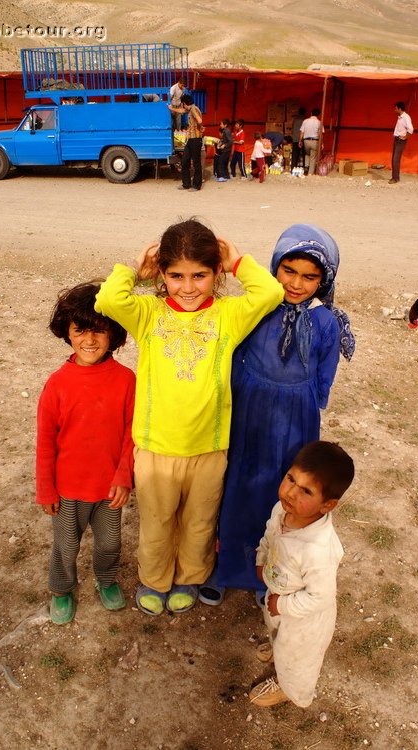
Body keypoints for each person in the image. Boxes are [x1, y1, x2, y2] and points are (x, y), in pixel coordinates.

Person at [94, 219, 283, 617]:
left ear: (216, 275)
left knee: (199, 523)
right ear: (161, 274)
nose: (188, 286)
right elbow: (109, 300)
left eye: (200, 275)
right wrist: (134, 268)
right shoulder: (148, 313)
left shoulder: (228, 316)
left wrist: (237, 261)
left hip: (209, 448)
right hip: (155, 447)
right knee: (157, 522)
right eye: (176, 275)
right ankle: (154, 580)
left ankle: (188, 578)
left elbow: (269, 291)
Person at [199, 224, 355, 607]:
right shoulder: (260, 305)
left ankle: (264, 575)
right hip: (249, 409)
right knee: (237, 485)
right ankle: (226, 567)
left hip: (295, 419)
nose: (297, 283)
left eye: (310, 276)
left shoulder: (325, 322)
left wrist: (305, 413)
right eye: (289, 271)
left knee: (279, 492)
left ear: (325, 279)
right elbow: (236, 354)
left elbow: (323, 377)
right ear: (274, 267)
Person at [36, 282, 135, 625]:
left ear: (114, 335)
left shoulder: (126, 380)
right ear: (67, 332)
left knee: (109, 544)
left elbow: (131, 434)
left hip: (109, 489)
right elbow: (46, 441)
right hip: (67, 491)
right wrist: (46, 488)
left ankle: (106, 579)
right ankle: (62, 589)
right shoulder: (57, 384)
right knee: (66, 546)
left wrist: (124, 476)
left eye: (99, 331)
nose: (89, 340)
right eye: (80, 330)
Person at [249, 440, 355, 707]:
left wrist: (281, 604)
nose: (291, 493)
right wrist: (262, 559)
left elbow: (320, 597)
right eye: (290, 479)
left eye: (306, 491)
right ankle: (277, 650)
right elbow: (269, 535)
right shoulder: (282, 510)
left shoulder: (318, 549)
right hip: (279, 597)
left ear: (327, 505)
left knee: (298, 659)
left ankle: (292, 689)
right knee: (277, 632)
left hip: (305, 620)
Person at [168, 94, 204, 192]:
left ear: (184, 103)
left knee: (196, 163)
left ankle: (197, 185)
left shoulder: (193, 109)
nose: (182, 106)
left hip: (196, 139)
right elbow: (182, 111)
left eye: (182, 104)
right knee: (184, 161)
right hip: (191, 140)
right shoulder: (190, 108)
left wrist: (200, 125)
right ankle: (186, 184)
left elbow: (199, 120)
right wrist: (171, 108)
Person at [389, 101, 414, 184]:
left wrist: (405, 137)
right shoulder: (400, 117)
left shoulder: (406, 117)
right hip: (397, 139)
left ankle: (395, 178)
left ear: (400, 109)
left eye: (396, 108)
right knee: (394, 159)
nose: (395, 110)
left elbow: (410, 129)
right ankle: (396, 177)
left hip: (400, 141)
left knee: (395, 159)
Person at [299, 108, 323, 175]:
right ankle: (310, 173)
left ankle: (306, 166)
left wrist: (300, 141)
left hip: (306, 141)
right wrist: (321, 143)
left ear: (311, 113)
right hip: (315, 141)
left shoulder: (305, 121)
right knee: (313, 157)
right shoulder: (319, 122)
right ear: (319, 115)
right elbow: (321, 134)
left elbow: (302, 132)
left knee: (307, 154)